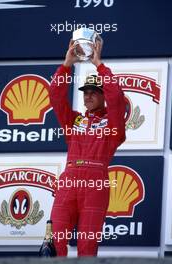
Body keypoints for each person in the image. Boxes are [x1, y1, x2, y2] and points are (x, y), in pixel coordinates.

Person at [49, 38, 126, 257]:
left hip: (95, 183)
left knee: (87, 248)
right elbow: (55, 97)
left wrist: (99, 65)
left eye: (94, 91)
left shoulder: (114, 125)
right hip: (69, 180)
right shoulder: (73, 121)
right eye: (85, 92)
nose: (89, 95)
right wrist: (66, 65)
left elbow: (117, 99)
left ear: (103, 96)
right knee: (55, 242)